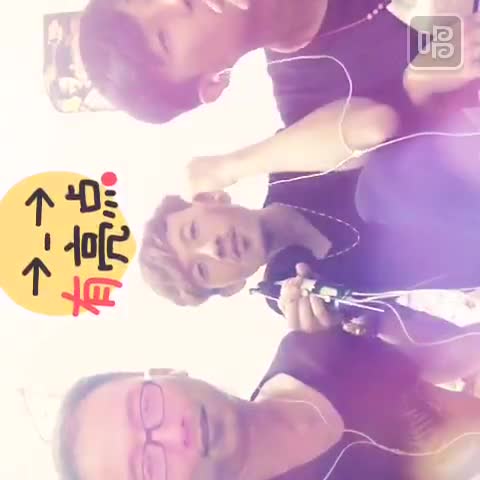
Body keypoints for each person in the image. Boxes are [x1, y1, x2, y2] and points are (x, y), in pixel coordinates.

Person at [139, 187, 480, 384]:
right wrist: (354, 331)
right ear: (230, 288)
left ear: (211, 197)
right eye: (202, 270)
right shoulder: (289, 293)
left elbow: (375, 127)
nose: (213, 249)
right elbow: (440, 357)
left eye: (193, 232)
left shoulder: (298, 164)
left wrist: (233, 163)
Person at [53, 330, 480, 480]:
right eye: (149, 466)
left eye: (146, 407)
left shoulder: (310, 351)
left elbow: (445, 388)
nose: (172, 433)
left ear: (168, 372)